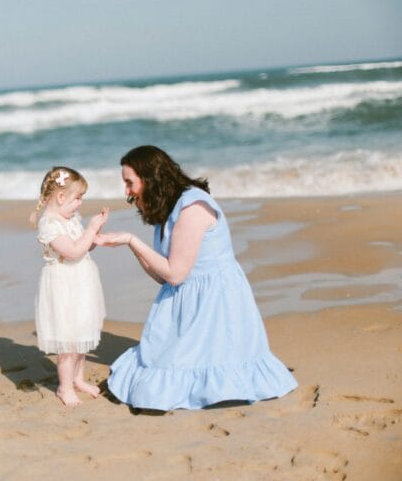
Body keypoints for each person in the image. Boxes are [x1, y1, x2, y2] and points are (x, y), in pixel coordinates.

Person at [96, 146, 297, 411]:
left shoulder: (193, 206)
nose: (127, 191)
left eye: (129, 182)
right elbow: (163, 277)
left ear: (150, 178)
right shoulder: (166, 211)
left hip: (215, 300)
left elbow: (175, 274)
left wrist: (131, 240)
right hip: (187, 297)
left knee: (177, 373)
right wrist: (132, 247)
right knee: (156, 367)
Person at [30, 166, 109, 407]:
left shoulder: (71, 218)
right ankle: (64, 387)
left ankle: (78, 378)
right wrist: (91, 230)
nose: (80, 204)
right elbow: (73, 252)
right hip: (64, 286)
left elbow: (82, 246)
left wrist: (95, 236)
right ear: (61, 197)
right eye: (78, 198)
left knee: (82, 334)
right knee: (68, 340)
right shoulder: (49, 224)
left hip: (82, 282)